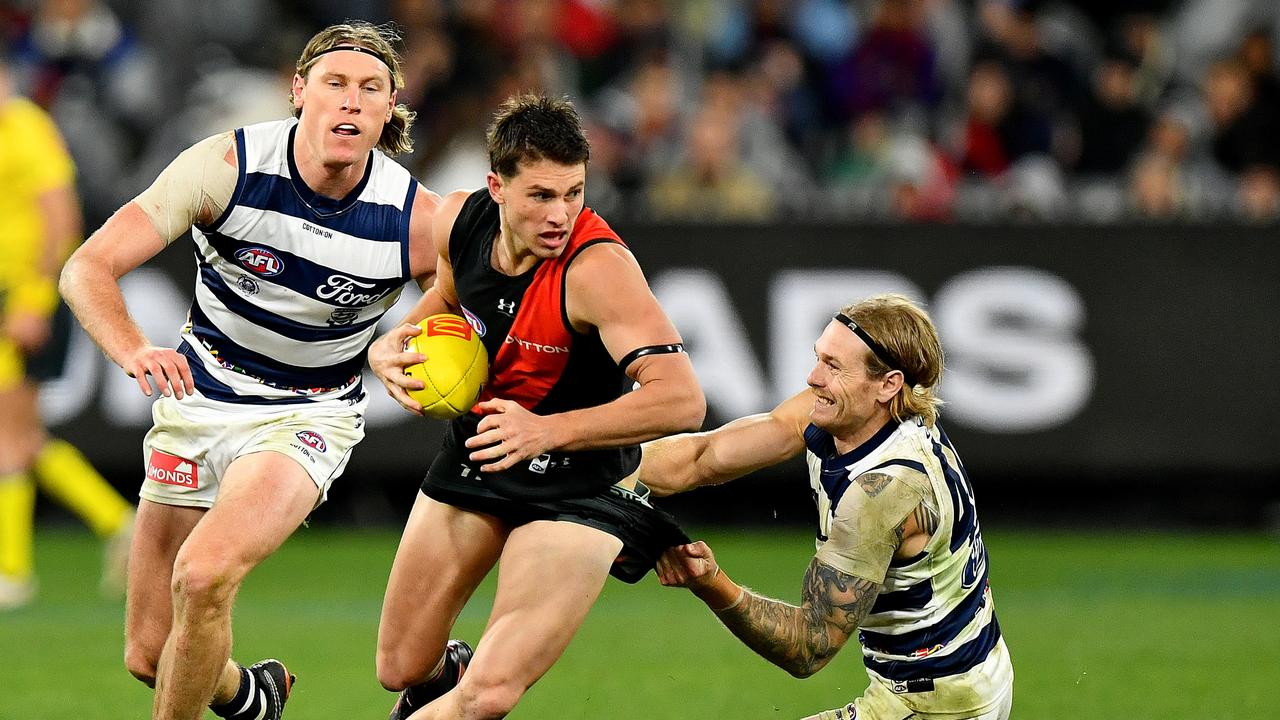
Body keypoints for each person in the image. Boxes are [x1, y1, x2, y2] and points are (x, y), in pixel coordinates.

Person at [58, 22, 439, 720]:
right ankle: (251, 699)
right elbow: (88, 266)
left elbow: (481, 306)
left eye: (370, 90)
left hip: (307, 414)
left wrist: (403, 336)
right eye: (335, 84)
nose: (350, 103)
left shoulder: (415, 219)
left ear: (389, 112)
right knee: (151, 654)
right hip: (198, 398)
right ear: (299, 92)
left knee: (202, 576)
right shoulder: (226, 167)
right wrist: (134, 349)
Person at [367, 92, 704, 720]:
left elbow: (682, 399)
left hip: (582, 487)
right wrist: (392, 344)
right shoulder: (458, 222)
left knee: (488, 696)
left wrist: (546, 431)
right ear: (495, 186)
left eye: (573, 193)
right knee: (401, 667)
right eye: (541, 196)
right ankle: (453, 676)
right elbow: (446, 299)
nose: (561, 214)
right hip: (483, 452)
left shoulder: (598, 268)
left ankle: (470, 690)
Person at [643, 294, 1014, 720]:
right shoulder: (861, 415)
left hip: (937, 704)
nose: (813, 377)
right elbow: (705, 456)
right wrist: (600, 469)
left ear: (888, 383)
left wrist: (711, 583)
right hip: (967, 671)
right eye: (819, 357)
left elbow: (809, 645)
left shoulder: (884, 493)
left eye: (834, 366)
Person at [0, 49, 134, 610]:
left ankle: (12, 572)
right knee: (22, 436)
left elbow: (62, 219)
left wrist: (33, 298)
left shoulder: (25, 128)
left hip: (24, 299)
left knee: (9, 436)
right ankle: (120, 522)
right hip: (11, 297)